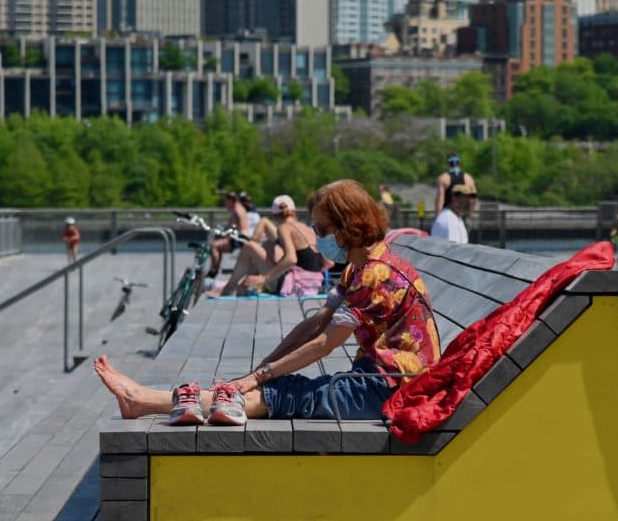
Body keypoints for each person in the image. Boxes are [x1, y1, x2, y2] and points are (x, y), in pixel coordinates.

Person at [95, 179, 441, 426]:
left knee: (289, 394)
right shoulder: (360, 267)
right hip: (381, 380)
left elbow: (323, 344)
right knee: (276, 387)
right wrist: (257, 372)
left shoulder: (376, 275)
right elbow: (316, 323)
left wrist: (262, 375)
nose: (317, 237)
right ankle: (144, 401)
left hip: (394, 389)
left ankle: (143, 401)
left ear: (348, 226)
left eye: (321, 230)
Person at [220, 195, 325, 296]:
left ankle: (228, 289)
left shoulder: (284, 227)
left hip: (295, 286)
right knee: (268, 245)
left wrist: (264, 278)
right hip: (313, 285)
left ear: (275, 216)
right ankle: (244, 285)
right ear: (294, 211)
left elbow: (291, 259)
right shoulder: (308, 229)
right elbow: (328, 262)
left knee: (250, 247)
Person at [209, 191, 252, 276]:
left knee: (214, 245)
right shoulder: (240, 208)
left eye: (226, 202)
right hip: (242, 237)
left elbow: (234, 227)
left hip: (240, 239)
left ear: (231, 201)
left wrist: (226, 236)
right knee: (218, 244)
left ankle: (213, 271)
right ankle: (215, 268)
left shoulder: (236, 210)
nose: (225, 204)